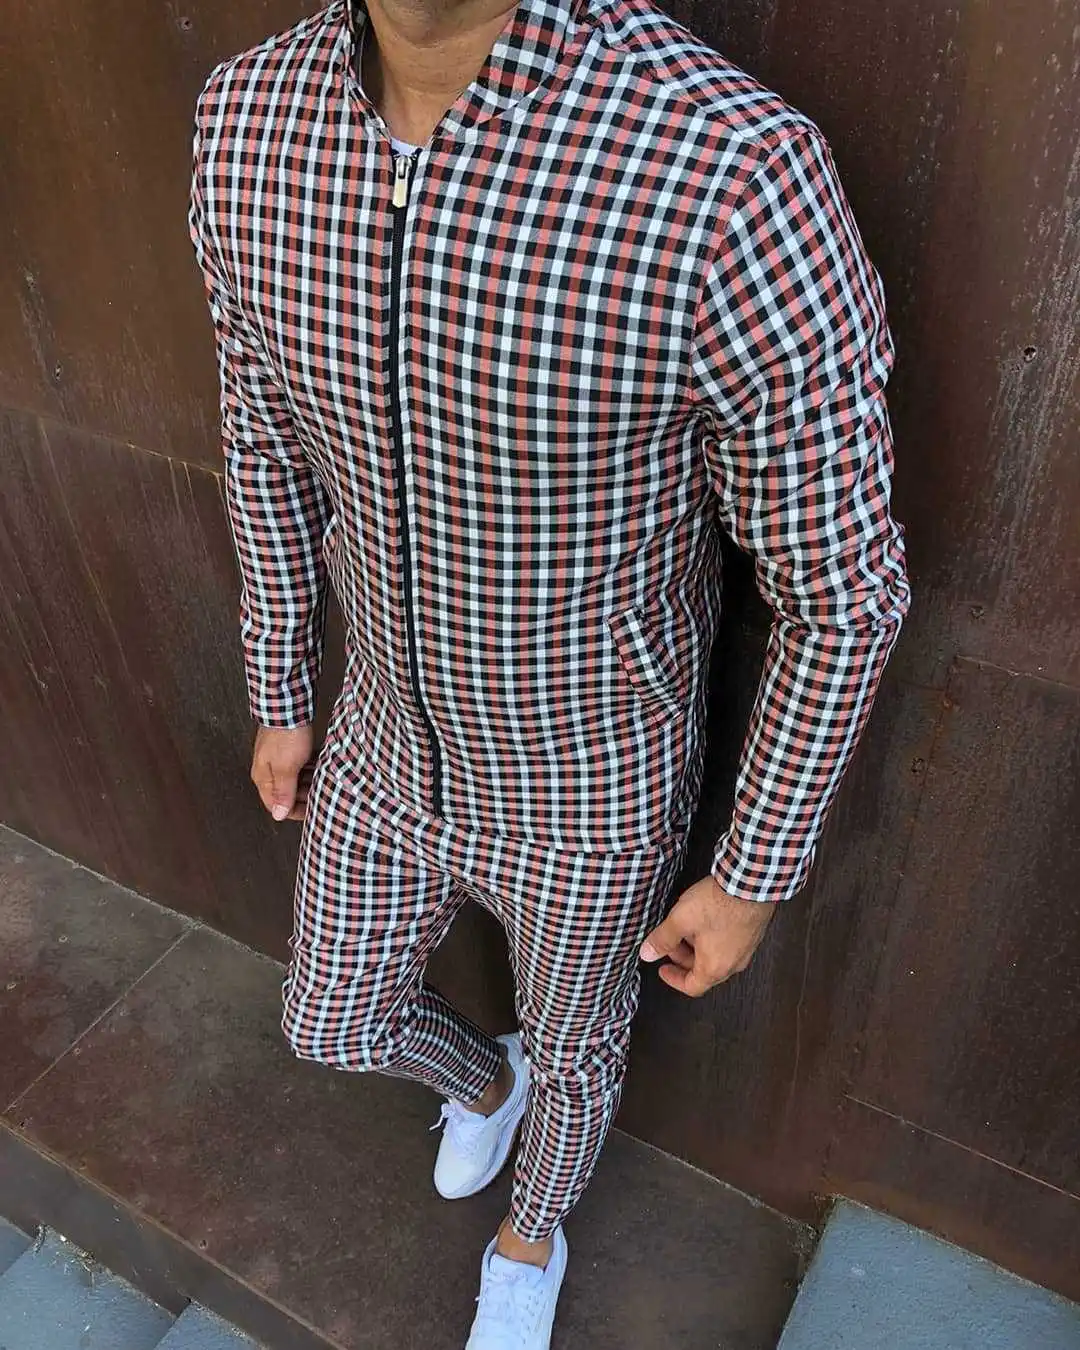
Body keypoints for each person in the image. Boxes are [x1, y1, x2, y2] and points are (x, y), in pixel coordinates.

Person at [188, 0, 910, 1339]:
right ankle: (481, 1083)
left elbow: (840, 592)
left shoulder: (727, 170)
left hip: (594, 772)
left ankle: (532, 1236)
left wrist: (753, 870)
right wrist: (282, 685)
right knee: (330, 1017)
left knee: (581, 1054)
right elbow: (261, 437)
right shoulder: (248, 120)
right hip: (381, 735)